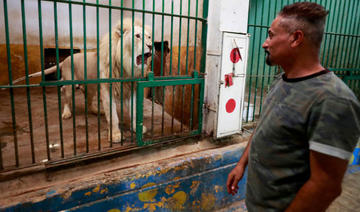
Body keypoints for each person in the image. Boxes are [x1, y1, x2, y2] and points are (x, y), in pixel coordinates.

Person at [227, 2, 360, 211]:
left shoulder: (333, 100)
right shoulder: (282, 79)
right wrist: (241, 164)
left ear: (296, 38)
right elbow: (263, 127)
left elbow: (325, 186)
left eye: (271, 35)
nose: (264, 43)